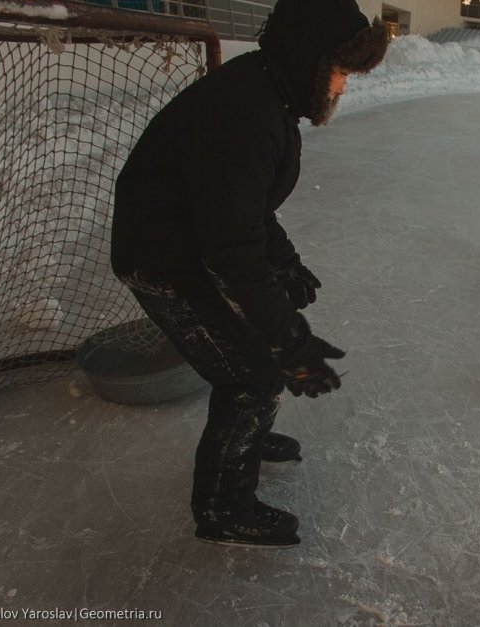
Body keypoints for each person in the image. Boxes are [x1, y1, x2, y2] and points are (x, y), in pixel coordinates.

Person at [110, 0, 388, 547]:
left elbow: (250, 209)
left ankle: (245, 436)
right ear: (311, 57)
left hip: (190, 243)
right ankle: (222, 508)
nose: (342, 87)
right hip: (163, 259)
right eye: (341, 71)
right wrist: (292, 340)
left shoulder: (267, 94)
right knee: (252, 376)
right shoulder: (244, 112)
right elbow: (232, 251)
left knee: (255, 360)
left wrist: (285, 262)